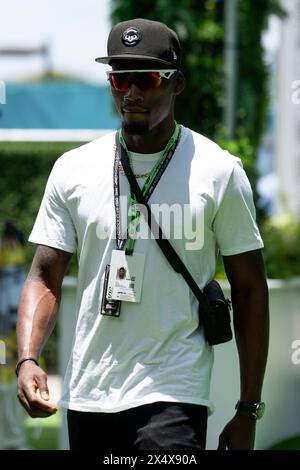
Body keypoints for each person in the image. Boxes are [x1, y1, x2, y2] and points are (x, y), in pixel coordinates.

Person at [16, 18, 269, 451]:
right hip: (90, 393)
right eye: (119, 79)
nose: (130, 92)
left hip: (175, 389)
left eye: (146, 78)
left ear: (177, 84)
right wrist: (27, 358)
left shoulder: (218, 171)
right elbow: (44, 277)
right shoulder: (73, 170)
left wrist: (248, 409)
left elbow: (249, 290)